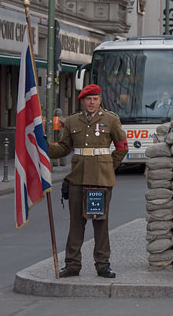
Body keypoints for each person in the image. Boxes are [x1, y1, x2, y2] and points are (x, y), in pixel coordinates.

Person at [48, 84, 128, 278]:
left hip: (101, 179)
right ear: (82, 101)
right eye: (88, 99)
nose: (91, 102)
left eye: (95, 99)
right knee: (76, 224)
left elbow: (122, 147)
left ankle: (103, 265)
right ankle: (73, 265)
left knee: (100, 223)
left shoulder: (111, 119)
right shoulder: (73, 121)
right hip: (77, 178)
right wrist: (43, 146)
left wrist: (108, 168)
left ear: (100, 100)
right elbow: (64, 148)